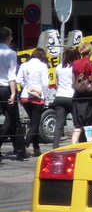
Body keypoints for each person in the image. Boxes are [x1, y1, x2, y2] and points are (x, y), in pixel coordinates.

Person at [16, 47, 49, 157]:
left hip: (25, 96)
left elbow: (18, 80)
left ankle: (36, 148)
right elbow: (45, 84)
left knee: (33, 122)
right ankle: (24, 146)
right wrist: (46, 99)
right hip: (38, 97)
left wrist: (27, 86)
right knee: (35, 123)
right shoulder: (42, 66)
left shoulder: (24, 65)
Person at [72, 41, 92, 144]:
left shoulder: (75, 63)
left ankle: (73, 145)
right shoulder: (91, 64)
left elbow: (74, 82)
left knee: (78, 125)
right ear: (90, 52)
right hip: (91, 98)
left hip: (78, 97)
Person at [51, 47, 78, 149]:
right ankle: (81, 143)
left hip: (59, 97)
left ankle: (55, 146)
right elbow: (74, 83)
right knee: (77, 123)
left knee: (59, 124)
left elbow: (57, 83)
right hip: (71, 97)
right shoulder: (74, 68)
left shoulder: (58, 67)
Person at [0, 27, 18, 160]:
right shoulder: (10, 53)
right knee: (12, 118)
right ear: (8, 38)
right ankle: (19, 149)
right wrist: (13, 93)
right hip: (5, 87)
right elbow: (12, 76)